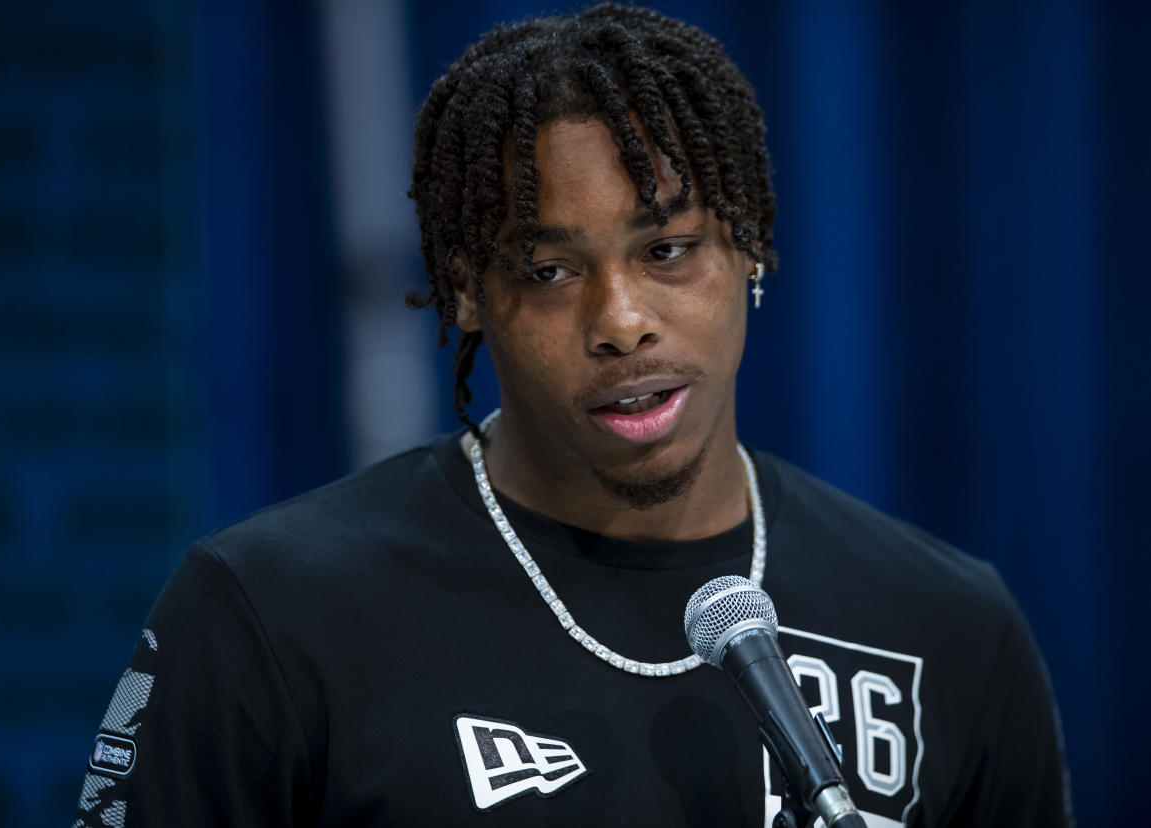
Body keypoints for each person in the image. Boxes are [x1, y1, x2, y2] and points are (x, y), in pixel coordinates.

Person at [74, 4, 1071, 826]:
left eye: (668, 250)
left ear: (753, 248)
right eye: (549, 270)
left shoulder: (950, 627)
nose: (621, 322)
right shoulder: (268, 615)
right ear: (466, 290)